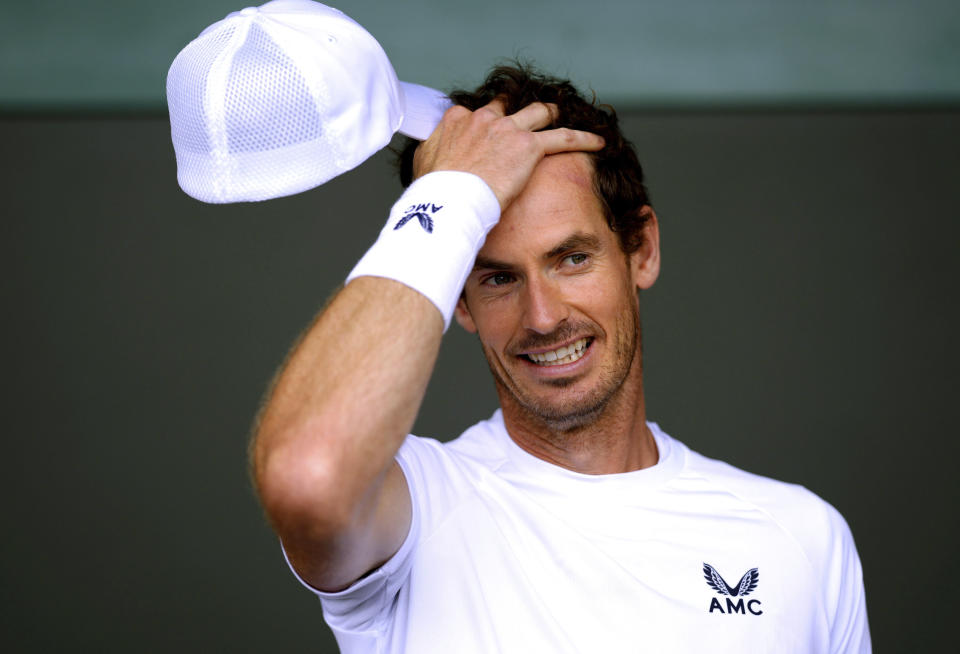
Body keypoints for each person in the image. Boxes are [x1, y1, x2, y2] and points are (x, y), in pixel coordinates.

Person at [250, 64, 871, 653]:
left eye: (572, 258)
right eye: (496, 279)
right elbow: (309, 474)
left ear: (642, 250)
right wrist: (450, 197)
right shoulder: (416, 512)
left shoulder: (802, 540)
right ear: (458, 300)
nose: (543, 317)